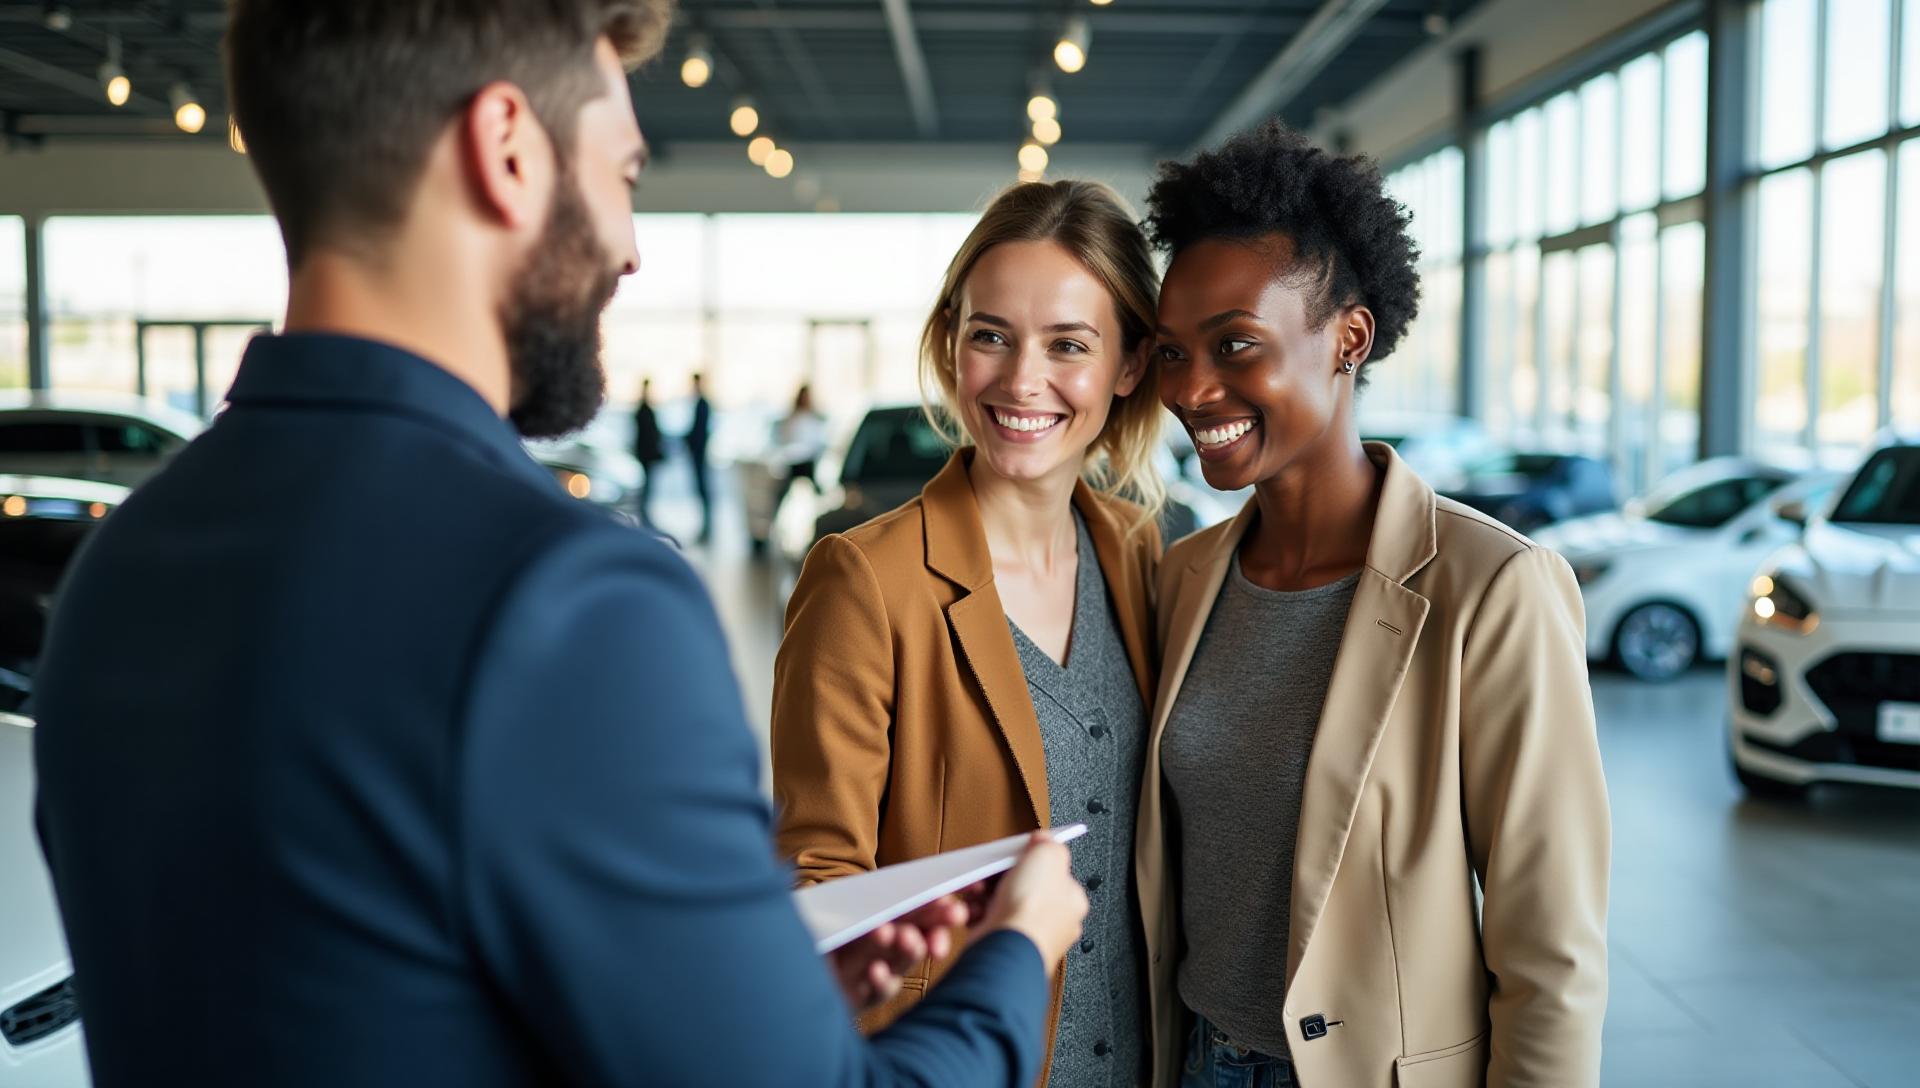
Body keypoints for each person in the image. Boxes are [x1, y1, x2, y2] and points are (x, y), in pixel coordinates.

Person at [30, 2, 1088, 1085]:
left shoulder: (117, 573)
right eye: (622, 176)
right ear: (507, 150)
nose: (629, 250)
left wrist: (749, 990)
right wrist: (1014, 953)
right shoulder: (571, 602)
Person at [1134, 121, 1611, 1088]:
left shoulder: (1492, 587)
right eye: (1174, 353)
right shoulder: (1183, 577)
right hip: (1194, 1061)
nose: (1193, 389)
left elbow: (1552, 950)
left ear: (1348, 339)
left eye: (1235, 344)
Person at [773, 180, 1166, 1088]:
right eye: (992, 335)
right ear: (951, 342)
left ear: (1130, 363)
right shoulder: (865, 580)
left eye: (1069, 344)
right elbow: (817, 890)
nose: (1022, 380)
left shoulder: (1141, 554)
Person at [775, 383, 828, 490]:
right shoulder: (791, 418)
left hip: (809, 460)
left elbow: (819, 440)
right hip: (792, 460)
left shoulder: (815, 418)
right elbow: (784, 438)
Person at [631, 377, 665, 527]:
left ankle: (644, 516)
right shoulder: (644, 410)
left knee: (647, 487)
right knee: (646, 488)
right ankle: (644, 517)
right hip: (646, 454)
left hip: (645, 454)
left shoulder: (643, 409)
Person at [686, 370, 713, 542]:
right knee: (702, 491)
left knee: (703, 491)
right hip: (698, 454)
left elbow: (700, 432)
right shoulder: (700, 404)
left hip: (699, 454)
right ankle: (706, 528)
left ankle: (707, 529)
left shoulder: (702, 404)